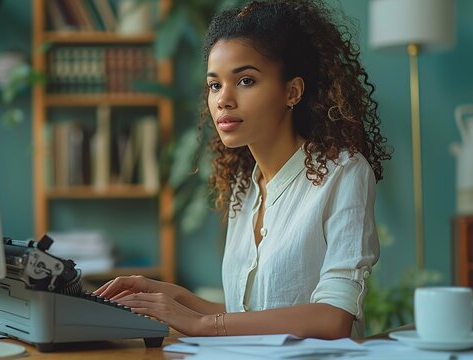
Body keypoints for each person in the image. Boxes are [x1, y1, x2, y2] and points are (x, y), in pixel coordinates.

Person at [95, 0, 391, 339]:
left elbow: (333, 318)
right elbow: (252, 315)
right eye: (215, 85)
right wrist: (174, 298)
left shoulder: (343, 173)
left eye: (246, 80)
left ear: (292, 91)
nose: (223, 99)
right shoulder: (244, 187)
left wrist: (203, 324)